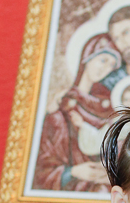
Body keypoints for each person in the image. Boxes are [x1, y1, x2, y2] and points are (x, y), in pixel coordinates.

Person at [33, 34, 121, 192]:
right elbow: (43, 166)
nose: (105, 69)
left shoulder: (107, 107)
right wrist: (73, 172)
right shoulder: (62, 105)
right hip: (72, 186)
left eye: (111, 65)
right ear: (87, 58)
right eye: (103, 60)